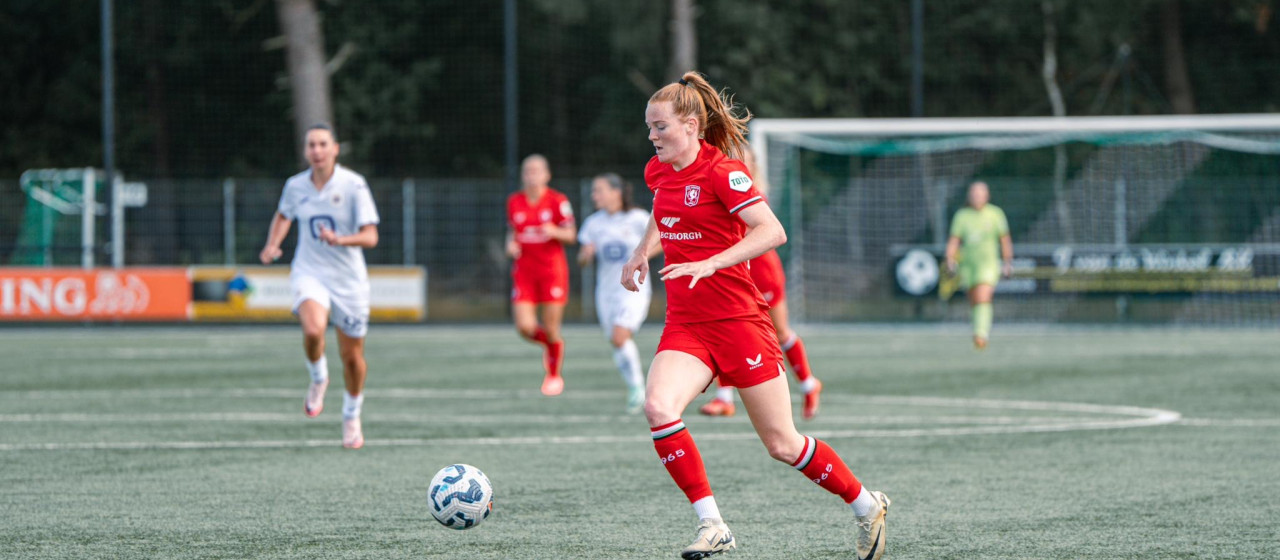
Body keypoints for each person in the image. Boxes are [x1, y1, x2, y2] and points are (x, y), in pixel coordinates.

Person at [621, 72, 890, 560]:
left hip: (739, 322)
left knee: (783, 445)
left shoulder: (724, 171)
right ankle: (713, 525)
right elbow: (663, 214)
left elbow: (772, 231)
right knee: (659, 408)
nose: (652, 136)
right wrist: (642, 251)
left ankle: (867, 504)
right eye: (648, 127)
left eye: (659, 126)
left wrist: (712, 261)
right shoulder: (657, 171)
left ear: (690, 124)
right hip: (686, 323)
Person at [259, 123, 379, 449]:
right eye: (311, 145)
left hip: (349, 281)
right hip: (309, 272)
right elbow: (284, 215)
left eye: (323, 144)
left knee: (352, 357)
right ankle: (318, 378)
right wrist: (273, 244)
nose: (317, 150)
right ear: (305, 151)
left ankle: (352, 414)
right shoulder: (295, 186)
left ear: (335, 149)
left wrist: (340, 239)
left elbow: (371, 236)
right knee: (313, 330)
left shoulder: (353, 185)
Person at [699, 147, 824, 420]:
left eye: (742, 159)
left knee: (779, 332)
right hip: (732, 274)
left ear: (753, 165)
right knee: (725, 328)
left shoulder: (751, 194)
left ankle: (808, 383)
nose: (734, 164)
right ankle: (724, 398)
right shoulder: (715, 189)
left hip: (762, 272)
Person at [577, 173, 656, 414]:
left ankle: (638, 389)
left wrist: (641, 257)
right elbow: (581, 261)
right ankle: (635, 387)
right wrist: (586, 255)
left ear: (616, 192)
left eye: (599, 190)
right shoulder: (593, 223)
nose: (594, 195)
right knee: (615, 340)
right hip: (606, 292)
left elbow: (661, 241)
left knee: (620, 336)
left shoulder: (638, 218)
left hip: (633, 289)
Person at [506, 154, 577, 396]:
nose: (531, 175)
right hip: (524, 272)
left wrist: (554, 231)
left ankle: (554, 375)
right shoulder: (514, 201)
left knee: (551, 326)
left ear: (547, 175)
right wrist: (511, 245)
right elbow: (513, 232)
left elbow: (571, 235)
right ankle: (553, 346)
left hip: (551, 272)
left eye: (537, 171)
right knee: (525, 327)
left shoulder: (558, 201)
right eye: (527, 171)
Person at [945, 181, 1013, 349]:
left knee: (983, 296)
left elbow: (1004, 240)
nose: (977, 197)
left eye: (980, 193)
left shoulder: (995, 214)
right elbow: (954, 240)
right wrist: (950, 259)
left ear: (987, 195)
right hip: (968, 265)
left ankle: (981, 334)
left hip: (988, 264)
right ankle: (978, 330)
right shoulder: (962, 216)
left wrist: (1007, 262)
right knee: (975, 300)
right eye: (974, 193)